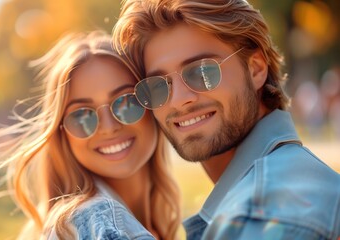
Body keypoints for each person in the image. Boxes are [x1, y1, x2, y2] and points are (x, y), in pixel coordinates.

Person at [112, 0, 340, 239]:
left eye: (202, 71)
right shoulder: (289, 181)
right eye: (157, 86)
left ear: (256, 69)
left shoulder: (260, 216)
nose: (179, 100)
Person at [0, 31, 180, 239]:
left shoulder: (147, 223)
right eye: (82, 115)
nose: (108, 127)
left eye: (126, 101)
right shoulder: (97, 223)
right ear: (62, 134)